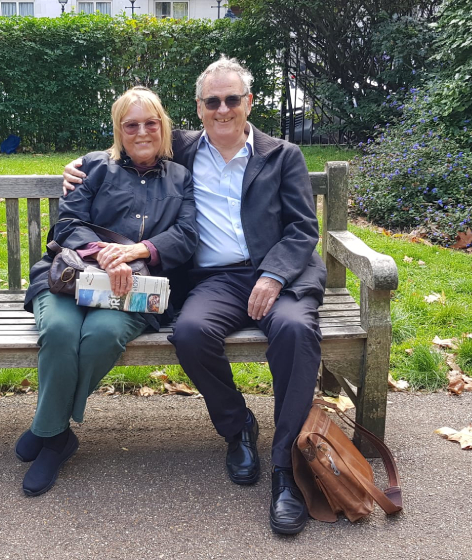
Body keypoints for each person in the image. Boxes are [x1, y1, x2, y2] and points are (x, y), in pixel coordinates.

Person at [62, 57, 326, 535]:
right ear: (200, 108)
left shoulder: (282, 154)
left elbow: (304, 229)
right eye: (212, 101)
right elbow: (132, 141)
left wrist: (274, 276)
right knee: (190, 332)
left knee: (293, 331)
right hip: (217, 279)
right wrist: (80, 167)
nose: (222, 109)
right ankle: (237, 426)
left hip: (276, 276)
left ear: (249, 102)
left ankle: (288, 470)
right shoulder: (181, 147)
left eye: (232, 99)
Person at [18, 87, 198, 497]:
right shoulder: (95, 167)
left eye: (150, 123)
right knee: (61, 332)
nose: (142, 132)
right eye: (130, 124)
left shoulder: (182, 178)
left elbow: (187, 235)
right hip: (71, 277)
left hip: (134, 288)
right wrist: (103, 255)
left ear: (163, 126)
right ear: (118, 130)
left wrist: (137, 253)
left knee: (99, 335)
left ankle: (49, 430)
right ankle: (57, 436)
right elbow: (67, 222)